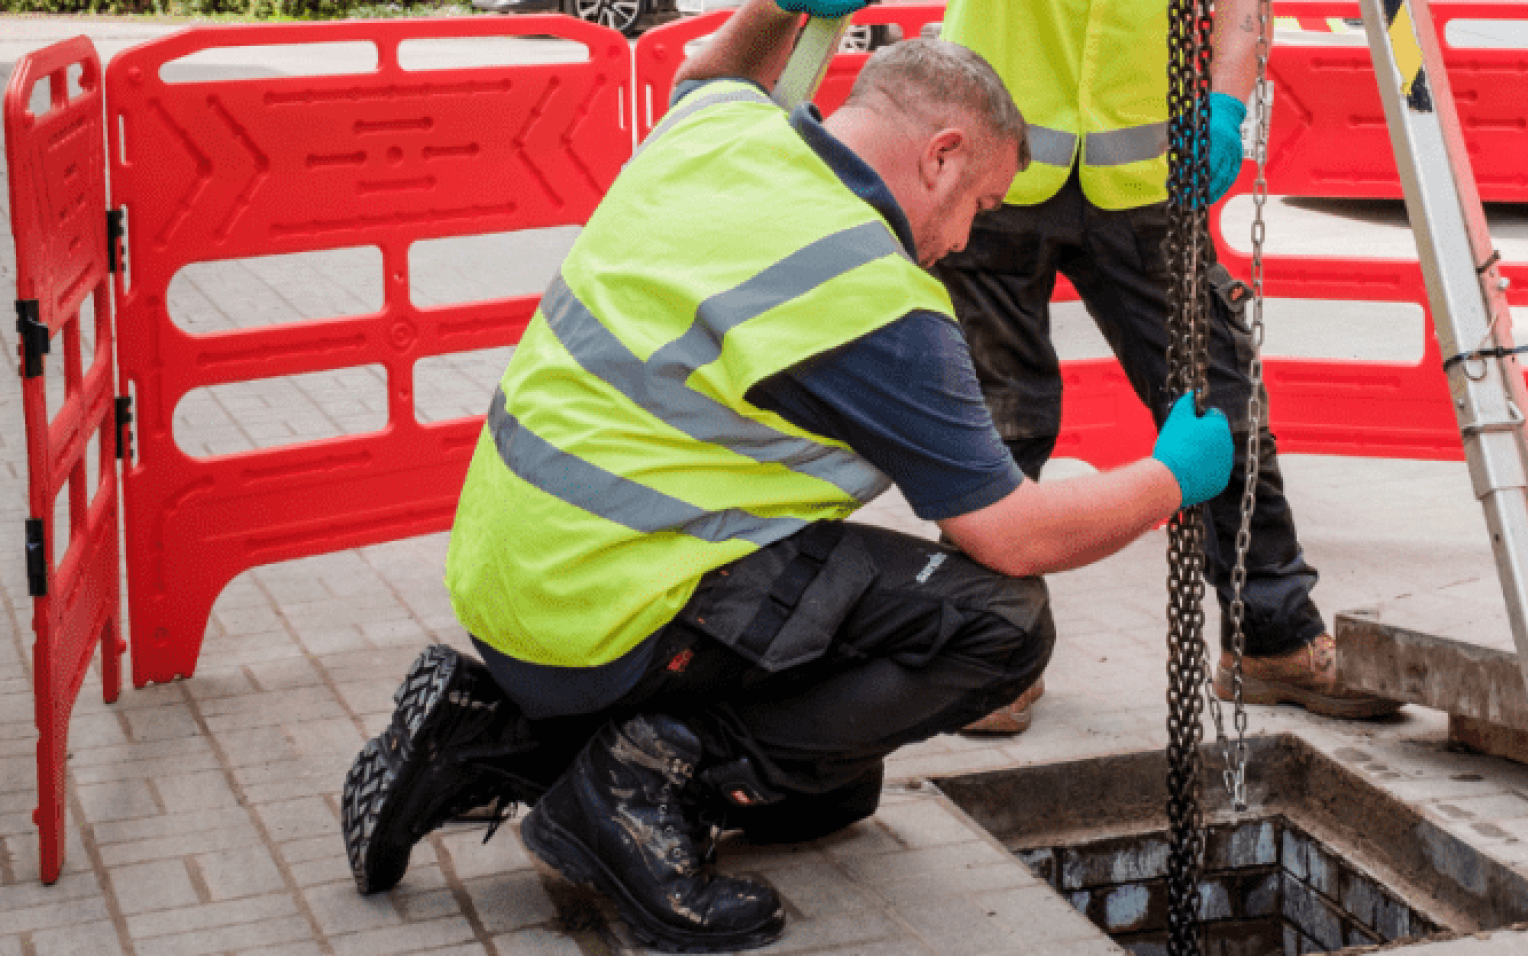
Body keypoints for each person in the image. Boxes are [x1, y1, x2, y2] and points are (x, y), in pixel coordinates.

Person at [339, 2, 1233, 952]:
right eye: (981, 201)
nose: (970, 238)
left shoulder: (724, 131)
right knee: (999, 624)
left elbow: (709, 72)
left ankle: (489, 736)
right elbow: (1013, 533)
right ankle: (632, 790)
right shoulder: (873, 295)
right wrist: (1167, 480)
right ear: (939, 156)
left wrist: (779, 7)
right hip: (608, 610)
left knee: (833, 784)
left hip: (514, 586)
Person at [936, 0, 1402, 734]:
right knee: (1000, 417)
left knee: (1221, 407)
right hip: (996, 160)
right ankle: (990, 653)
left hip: (1140, 175)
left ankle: (1270, 637)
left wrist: (1223, 103)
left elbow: (1240, 8)